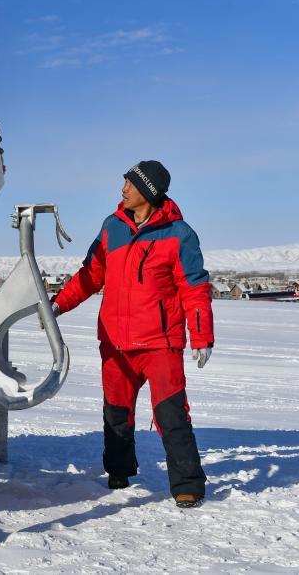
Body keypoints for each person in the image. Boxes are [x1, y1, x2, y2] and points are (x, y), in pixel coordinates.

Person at [52, 160, 213, 508]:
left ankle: (188, 484)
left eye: (129, 183)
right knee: (116, 412)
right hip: (115, 342)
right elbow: (90, 273)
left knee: (171, 415)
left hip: (160, 343)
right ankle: (119, 470)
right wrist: (59, 305)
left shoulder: (179, 234)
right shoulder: (112, 227)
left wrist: (201, 336)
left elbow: (195, 288)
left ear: (148, 191)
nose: (123, 189)